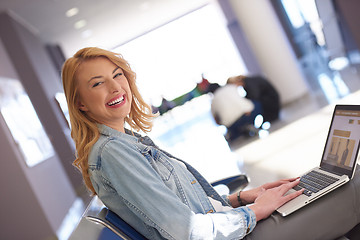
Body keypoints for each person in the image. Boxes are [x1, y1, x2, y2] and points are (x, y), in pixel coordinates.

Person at [62, 47, 360, 239]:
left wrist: (242, 199)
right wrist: (254, 212)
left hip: (231, 224)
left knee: (325, 197)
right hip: (235, 234)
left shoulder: (128, 142)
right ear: (81, 104)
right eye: (98, 83)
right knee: (354, 186)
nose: (115, 87)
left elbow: (179, 210)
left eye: (117, 75)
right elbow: (185, 231)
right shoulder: (114, 153)